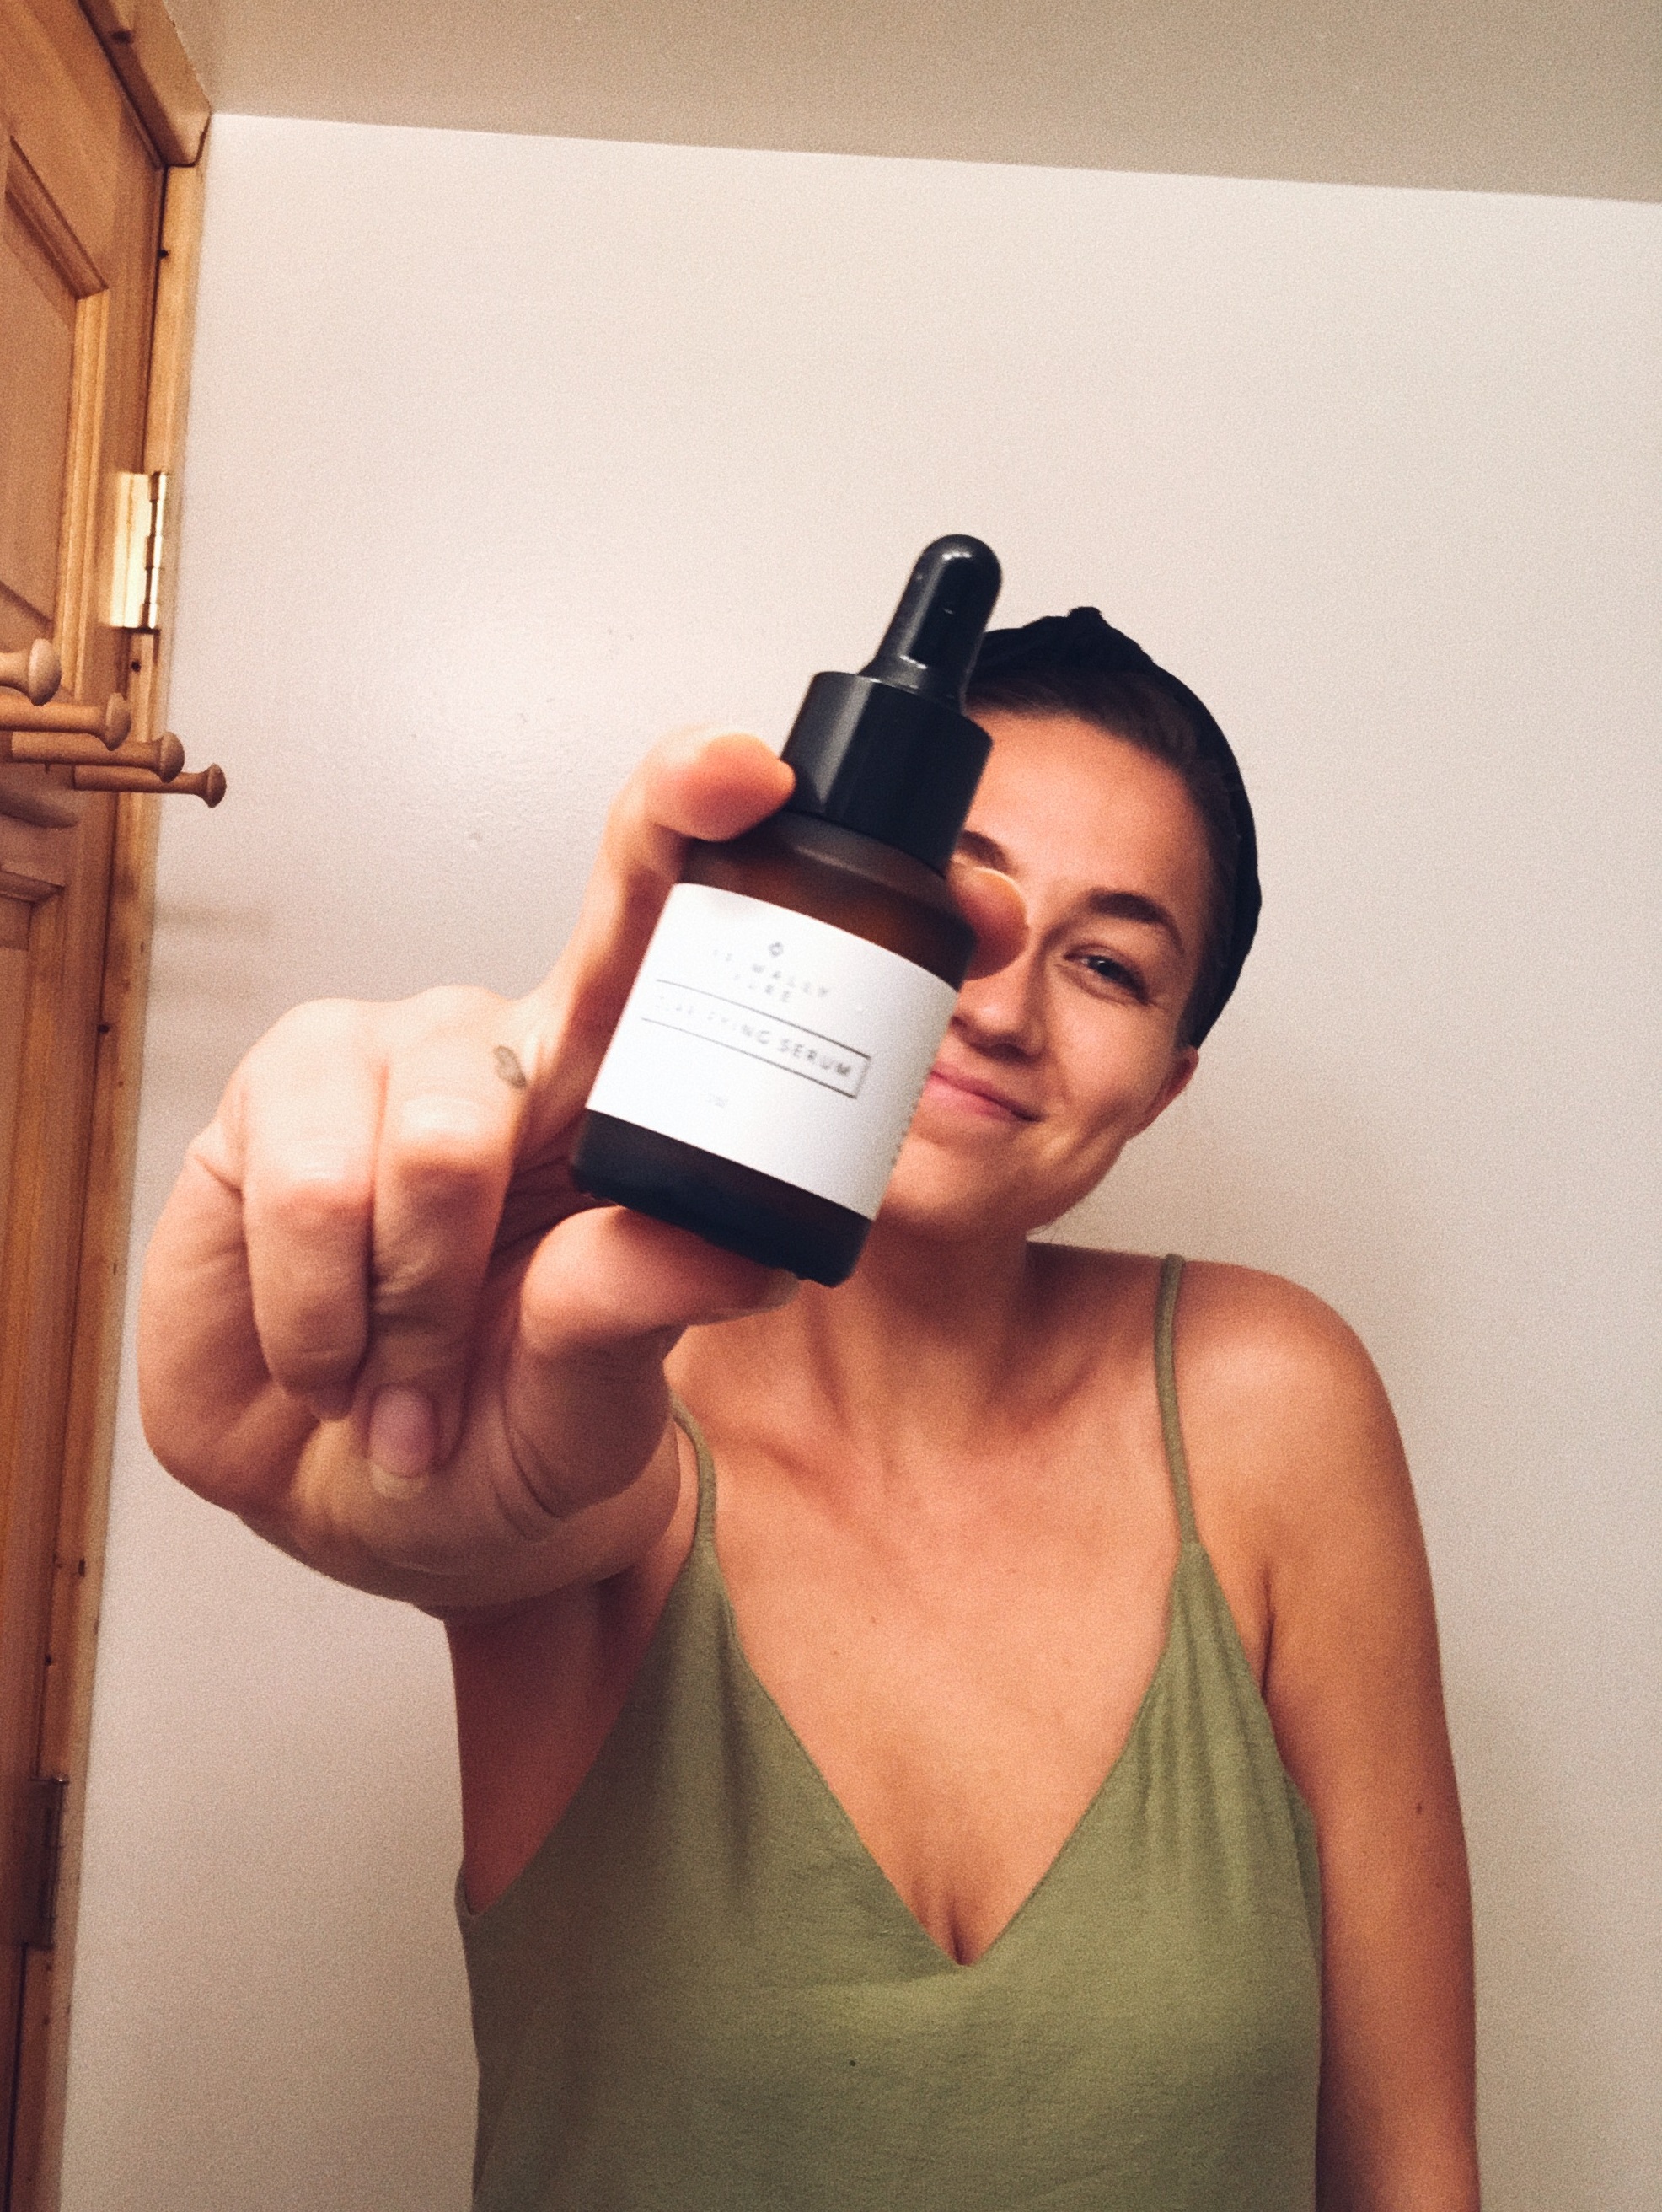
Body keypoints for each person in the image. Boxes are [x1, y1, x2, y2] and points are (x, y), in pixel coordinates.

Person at [139, 609, 1479, 2209]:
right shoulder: (578, 1404)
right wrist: (362, 1409)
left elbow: (1416, 2170)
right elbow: (477, 1524)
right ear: (796, 914)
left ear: (1166, 1082)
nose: (997, 1006)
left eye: (1111, 966)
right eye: (950, 906)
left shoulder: (1271, 1407)